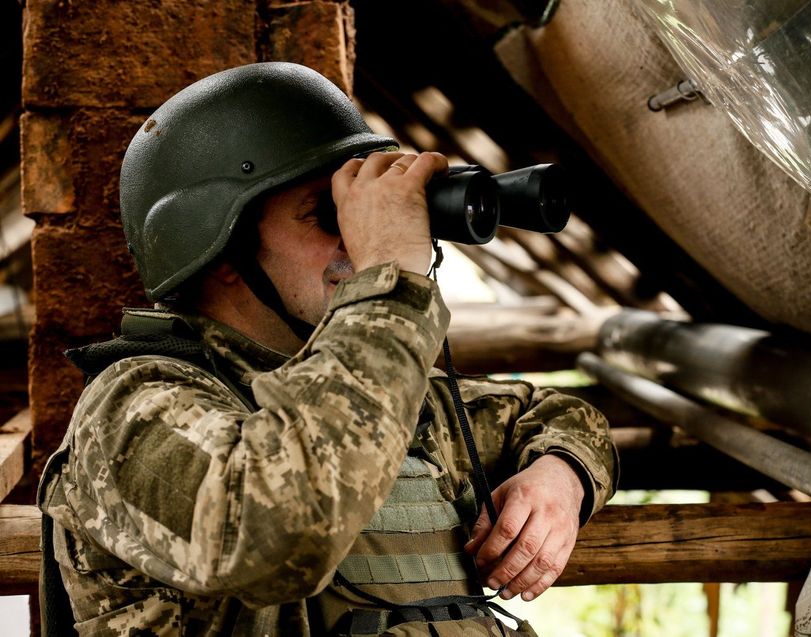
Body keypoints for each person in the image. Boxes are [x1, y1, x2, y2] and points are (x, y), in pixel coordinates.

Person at [37, 62, 618, 636]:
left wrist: (560, 480)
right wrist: (388, 271)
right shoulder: (131, 411)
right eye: (327, 215)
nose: (358, 240)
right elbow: (280, 531)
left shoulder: (393, 401)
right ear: (224, 254)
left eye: (360, 215)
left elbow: (562, 416)